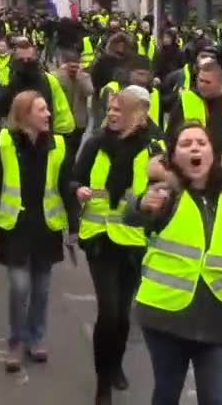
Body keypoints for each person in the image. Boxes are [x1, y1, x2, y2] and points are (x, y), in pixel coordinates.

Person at [127, 122, 222, 405]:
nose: (194, 148)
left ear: (214, 155)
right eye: (185, 144)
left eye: (202, 143)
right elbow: (132, 216)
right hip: (166, 317)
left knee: (217, 399)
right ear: (173, 156)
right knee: (167, 393)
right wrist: (141, 205)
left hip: (218, 316)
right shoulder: (167, 193)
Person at [72, 87, 162, 401]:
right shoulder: (96, 143)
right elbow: (74, 178)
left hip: (134, 241)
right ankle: (102, 384)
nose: (111, 114)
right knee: (109, 312)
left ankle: (116, 365)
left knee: (123, 315)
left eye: (118, 110)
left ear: (139, 115)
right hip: (99, 238)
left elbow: (165, 188)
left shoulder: (154, 148)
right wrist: (78, 190)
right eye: (110, 109)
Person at [0, 91, 77, 373]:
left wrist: (74, 227)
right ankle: (15, 341)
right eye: (41, 110)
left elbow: (66, 187)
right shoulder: (3, 141)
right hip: (15, 226)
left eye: (47, 109)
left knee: (41, 289)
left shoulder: (58, 145)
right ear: (24, 115)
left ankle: (36, 338)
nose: (48, 114)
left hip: (46, 227)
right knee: (19, 286)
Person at [165, 61, 222, 160]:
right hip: (198, 163)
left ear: (220, 83)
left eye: (207, 82)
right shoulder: (186, 99)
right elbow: (171, 136)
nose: (202, 85)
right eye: (200, 80)